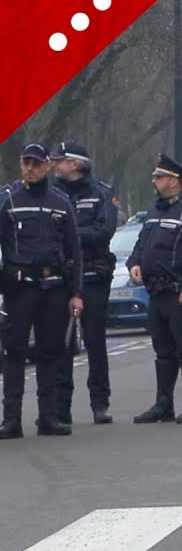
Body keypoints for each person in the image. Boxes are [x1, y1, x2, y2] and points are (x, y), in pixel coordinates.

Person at [0, 144, 84, 438]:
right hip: (19, 288)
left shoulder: (60, 202)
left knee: (50, 353)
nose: (30, 169)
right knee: (14, 354)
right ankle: (11, 419)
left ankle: (48, 417)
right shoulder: (8, 199)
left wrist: (76, 292)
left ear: (48, 165)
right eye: (26, 163)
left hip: (53, 288)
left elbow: (74, 249)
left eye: (36, 163)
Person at [128, 154, 182, 425]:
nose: (154, 181)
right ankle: (163, 404)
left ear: (174, 181)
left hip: (180, 293)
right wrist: (135, 264)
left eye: (159, 177)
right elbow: (141, 245)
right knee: (162, 350)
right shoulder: (155, 211)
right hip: (157, 292)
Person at [51, 141, 118, 425]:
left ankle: (100, 402)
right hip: (62, 277)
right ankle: (61, 406)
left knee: (94, 340)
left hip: (94, 275)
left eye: (60, 160)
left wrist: (69, 234)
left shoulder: (102, 193)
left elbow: (104, 232)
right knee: (62, 343)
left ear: (76, 164)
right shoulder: (52, 194)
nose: (55, 165)